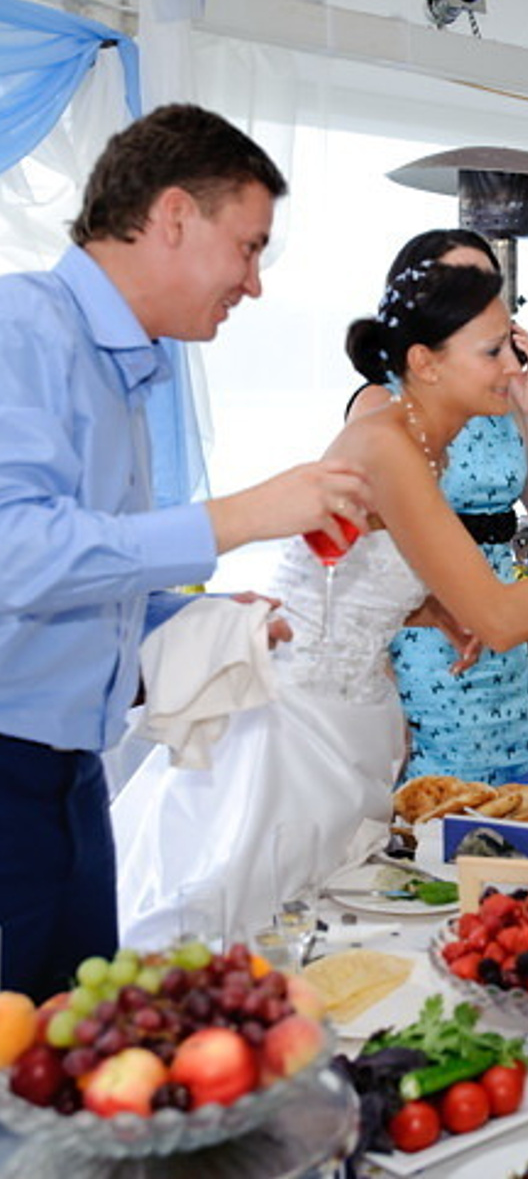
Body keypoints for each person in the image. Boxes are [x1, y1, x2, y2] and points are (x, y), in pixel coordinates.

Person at [113, 257, 528, 946]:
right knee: (246, 931)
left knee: (324, 928)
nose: (513, 364)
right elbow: (503, 619)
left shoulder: (425, 445)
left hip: (355, 714)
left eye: (511, 341)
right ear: (424, 362)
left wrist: (425, 609)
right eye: (491, 350)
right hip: (295, 723)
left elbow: (347, 568)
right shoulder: (386, 442)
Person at [0, 104, 372, 1000]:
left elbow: (79, 573)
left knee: (75, 1063)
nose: (254, 285)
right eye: (249, 248)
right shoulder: (20, 327)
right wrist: (239, 516)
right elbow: (14, 551)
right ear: (173, 217)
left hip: (70, 781)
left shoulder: (125, 368)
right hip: (7, 776)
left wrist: (197, 617)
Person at [346, 229, 528, 784]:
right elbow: (359, 543)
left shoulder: (499, 400)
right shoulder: (382, 402)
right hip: (427, 624)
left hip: (501, 615)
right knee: (436, 795)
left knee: (508, 789)